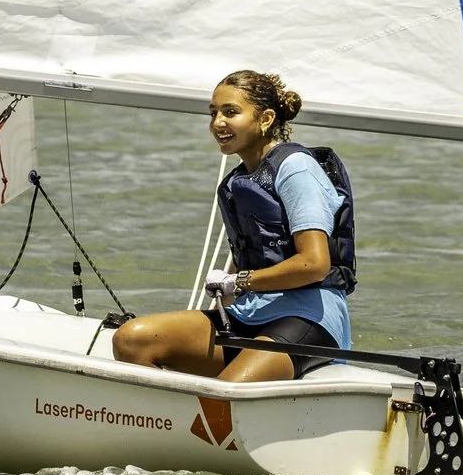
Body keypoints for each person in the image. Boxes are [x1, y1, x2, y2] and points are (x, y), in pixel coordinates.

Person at [110, 70, 355, 383]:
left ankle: (207, 412)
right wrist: (226, 286)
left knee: (226, 391)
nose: (218, 123)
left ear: (265, 119)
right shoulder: (238, 181)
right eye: (213, 113)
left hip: (308, 317)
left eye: (230, 112)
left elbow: (314, 264)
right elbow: (254, 251)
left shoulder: (296, 169)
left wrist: (239, 282)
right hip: (250, 312)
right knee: (131, 340)